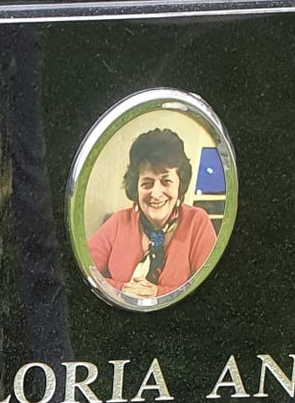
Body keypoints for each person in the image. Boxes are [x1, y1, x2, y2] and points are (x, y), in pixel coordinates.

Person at [87, 126, 217, 301]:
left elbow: (208, 293)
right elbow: (85, 271)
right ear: (135, 187)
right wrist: (122, 289)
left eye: (166, 181)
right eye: (147, 183)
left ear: (180, 185)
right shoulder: (118, 221)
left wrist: (158, 294)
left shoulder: (198, 222)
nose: (156, 193)